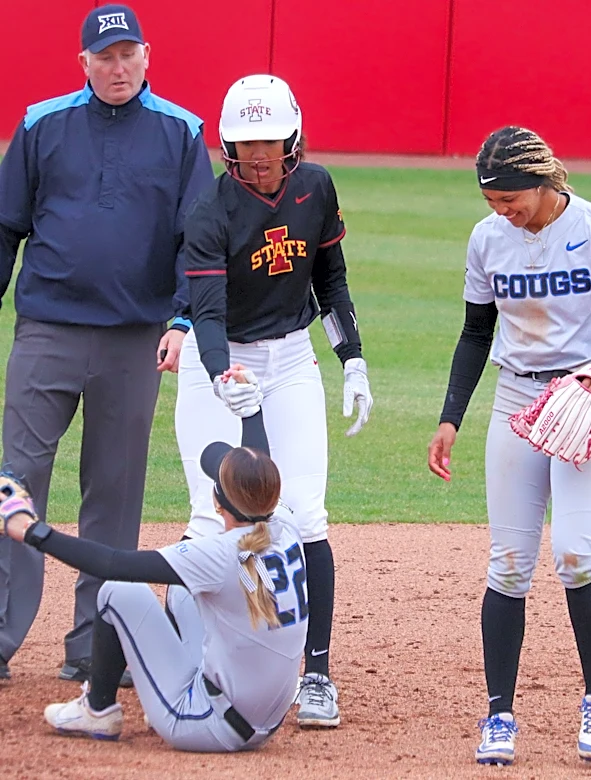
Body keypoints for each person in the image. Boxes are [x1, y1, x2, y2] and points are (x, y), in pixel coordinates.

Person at [427, 126, 591, 766]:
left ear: (543, 181)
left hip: (585, 400)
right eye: (491, 200)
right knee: (508, 563)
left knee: (574, 552)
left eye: (510, 199)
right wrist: (451, 417)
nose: (501, 211)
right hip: (515, 401)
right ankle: (499, 714)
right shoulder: (487, 240)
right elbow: (477, 332)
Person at [0, 3, 214, 684]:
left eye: (128, 55)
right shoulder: (41, 124)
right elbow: (6, 224)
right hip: (48, 328)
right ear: (83, 63)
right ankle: (2, 634)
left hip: (135, 339)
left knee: (114, 495)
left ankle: (94, 645)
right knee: (15, 481)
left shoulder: (182, 132)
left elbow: (198, 241)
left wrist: (182, 321)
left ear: (146, 56)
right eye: (104, 56)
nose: (117, 68)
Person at [174, 73, 372, 729]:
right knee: (213, 517)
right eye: (244, 143)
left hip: (289, 362)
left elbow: (331, 279)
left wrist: (353, 360)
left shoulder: (315, 187)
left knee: (305, 514)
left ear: (291, 140)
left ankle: (314, 673)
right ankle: (202, 662)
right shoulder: (210, 212)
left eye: (268, 142)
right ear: (227, 147)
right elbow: (203, 313)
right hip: (221, 363)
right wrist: (223, 373)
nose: (257, 155)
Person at [0, 367, 307, 751]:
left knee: (116, 592)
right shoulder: (284, 524)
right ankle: (172, 686)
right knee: (181, 595)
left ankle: (98, 710)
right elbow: (261, 468)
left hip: (211, 727)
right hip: (264, 720)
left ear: (217, 502)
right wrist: (251, 412)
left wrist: (29, 529)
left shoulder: (218, 554)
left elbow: (113, 564)